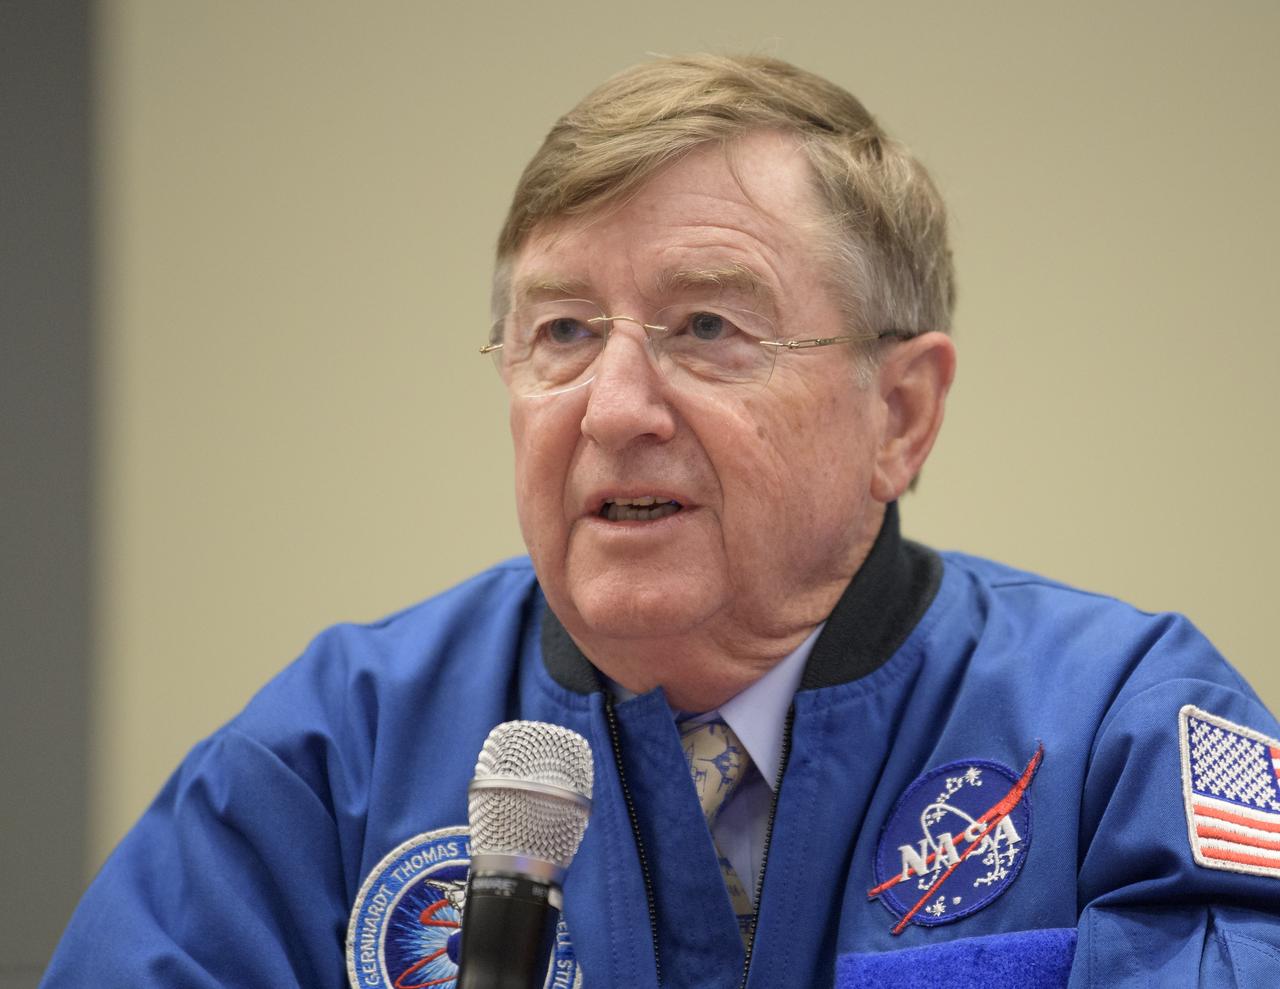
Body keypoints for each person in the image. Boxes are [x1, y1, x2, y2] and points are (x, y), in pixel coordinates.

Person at [42, 54, 1280, 988]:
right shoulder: (332, 757)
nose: (611, 408)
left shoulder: (1121, 730)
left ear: (899, 412)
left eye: (706, 327)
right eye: (562, 332)